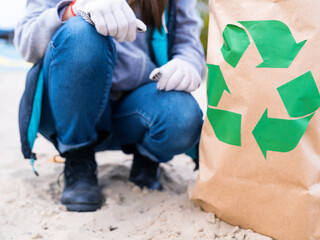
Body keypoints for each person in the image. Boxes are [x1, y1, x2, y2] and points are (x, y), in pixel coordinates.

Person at [14, 0, 205, 212]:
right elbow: (25, 42)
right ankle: (78, 160)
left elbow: (188, 42)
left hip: (136, 106)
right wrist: (74, 9)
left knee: (183, 115)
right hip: (66, 107)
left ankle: (148, 159)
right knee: (81, 32)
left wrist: (188, 63)